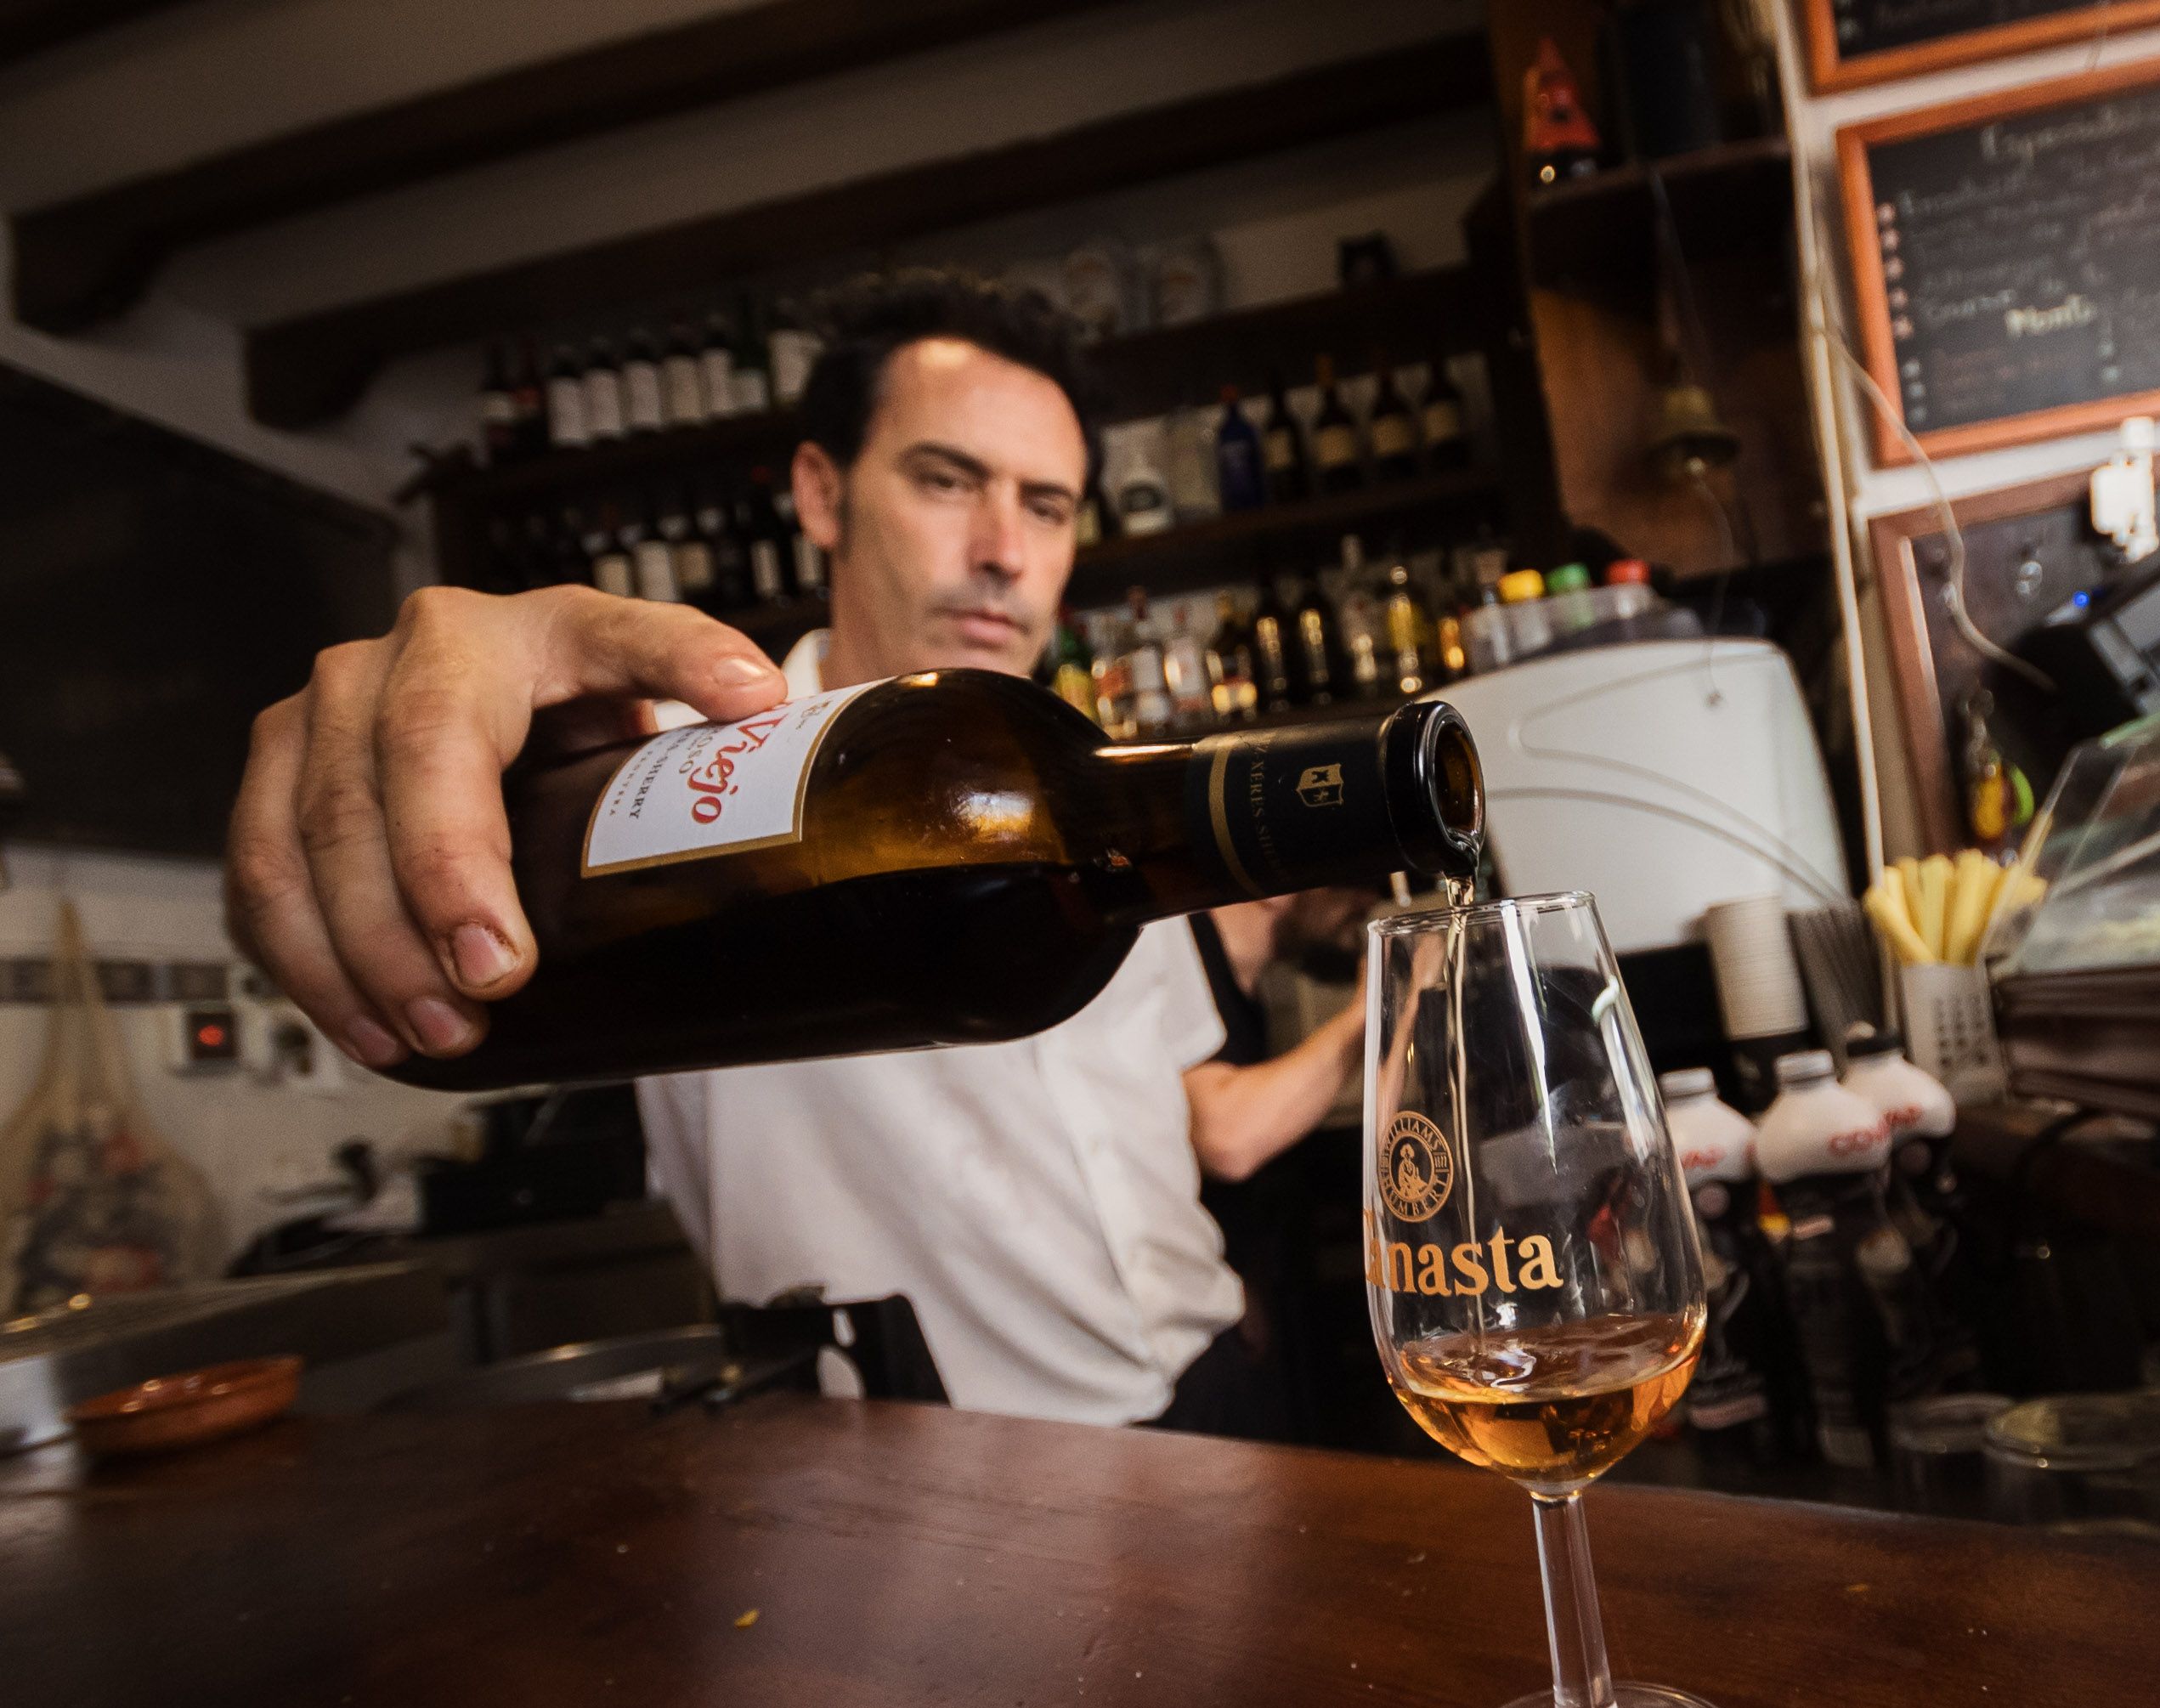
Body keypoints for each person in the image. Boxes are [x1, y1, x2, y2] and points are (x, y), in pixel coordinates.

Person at [223, 269, 1355, 1430]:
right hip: (954, 1473)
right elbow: (424, 862)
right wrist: (376, 760)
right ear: (822, 494)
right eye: (947, 480)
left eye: (1049, 505)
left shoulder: (1102, 784)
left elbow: (1182, 1101)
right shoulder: (668, 777)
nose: (1006, 550)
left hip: (1220, 1373)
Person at [1185, 889, 1380, 1441]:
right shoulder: (1181, 963)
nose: (1363, 899)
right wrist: (1370, 1009)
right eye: (1346, 874)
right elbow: (1228, 1139)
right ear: (1274, 889)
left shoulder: (1246, 987)